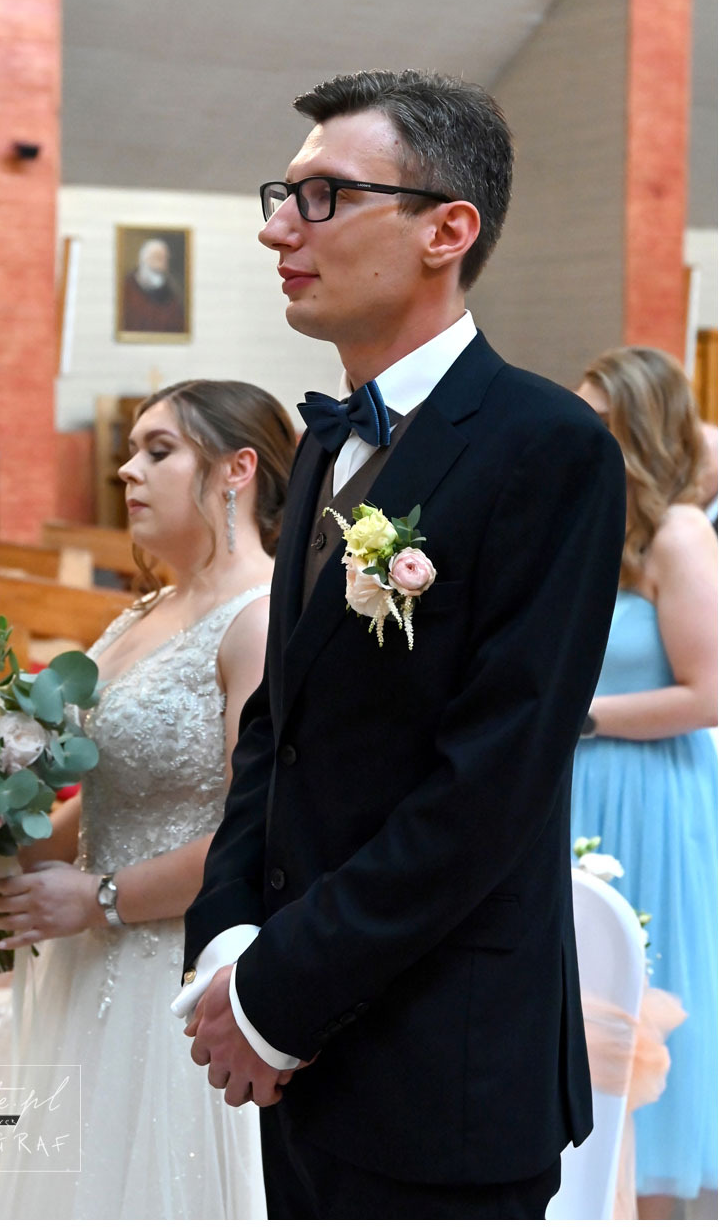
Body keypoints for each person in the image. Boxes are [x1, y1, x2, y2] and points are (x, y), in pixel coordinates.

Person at [174, 68, 627, 1219]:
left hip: (443, 1061)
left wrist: (278, 990)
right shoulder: (327, 446)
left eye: (324, 196)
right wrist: (228, 935)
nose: (280, 228)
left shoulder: (548, 446)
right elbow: (278, 724)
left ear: (446, 231)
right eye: (284, 195)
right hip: (300, 1054)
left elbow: (494, 782)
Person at [0, 380, 296, 1219]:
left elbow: (259, 834)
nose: (127, 471)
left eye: (158, 451)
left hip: (175, 969)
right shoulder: (148, 609)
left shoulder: (260, 619)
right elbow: (110, 799)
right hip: (89, 959)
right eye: (131, 451)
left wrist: (99, 897)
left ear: (236, 469)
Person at [572, 347, 717, 1219]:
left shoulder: (678, 534)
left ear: (640, 426)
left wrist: (577, 716)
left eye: (596, 418)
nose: (577, 432)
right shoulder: (589, 528)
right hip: (573, 784)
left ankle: (653, 1195)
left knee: (644, 981)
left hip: (648, 788)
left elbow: (707, 694)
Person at [120, 237, 186, 334]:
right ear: (143, 259)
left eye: (165, 258)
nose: (161, 263)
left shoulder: (172, 293)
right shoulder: (125, 289)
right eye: (157, 257)